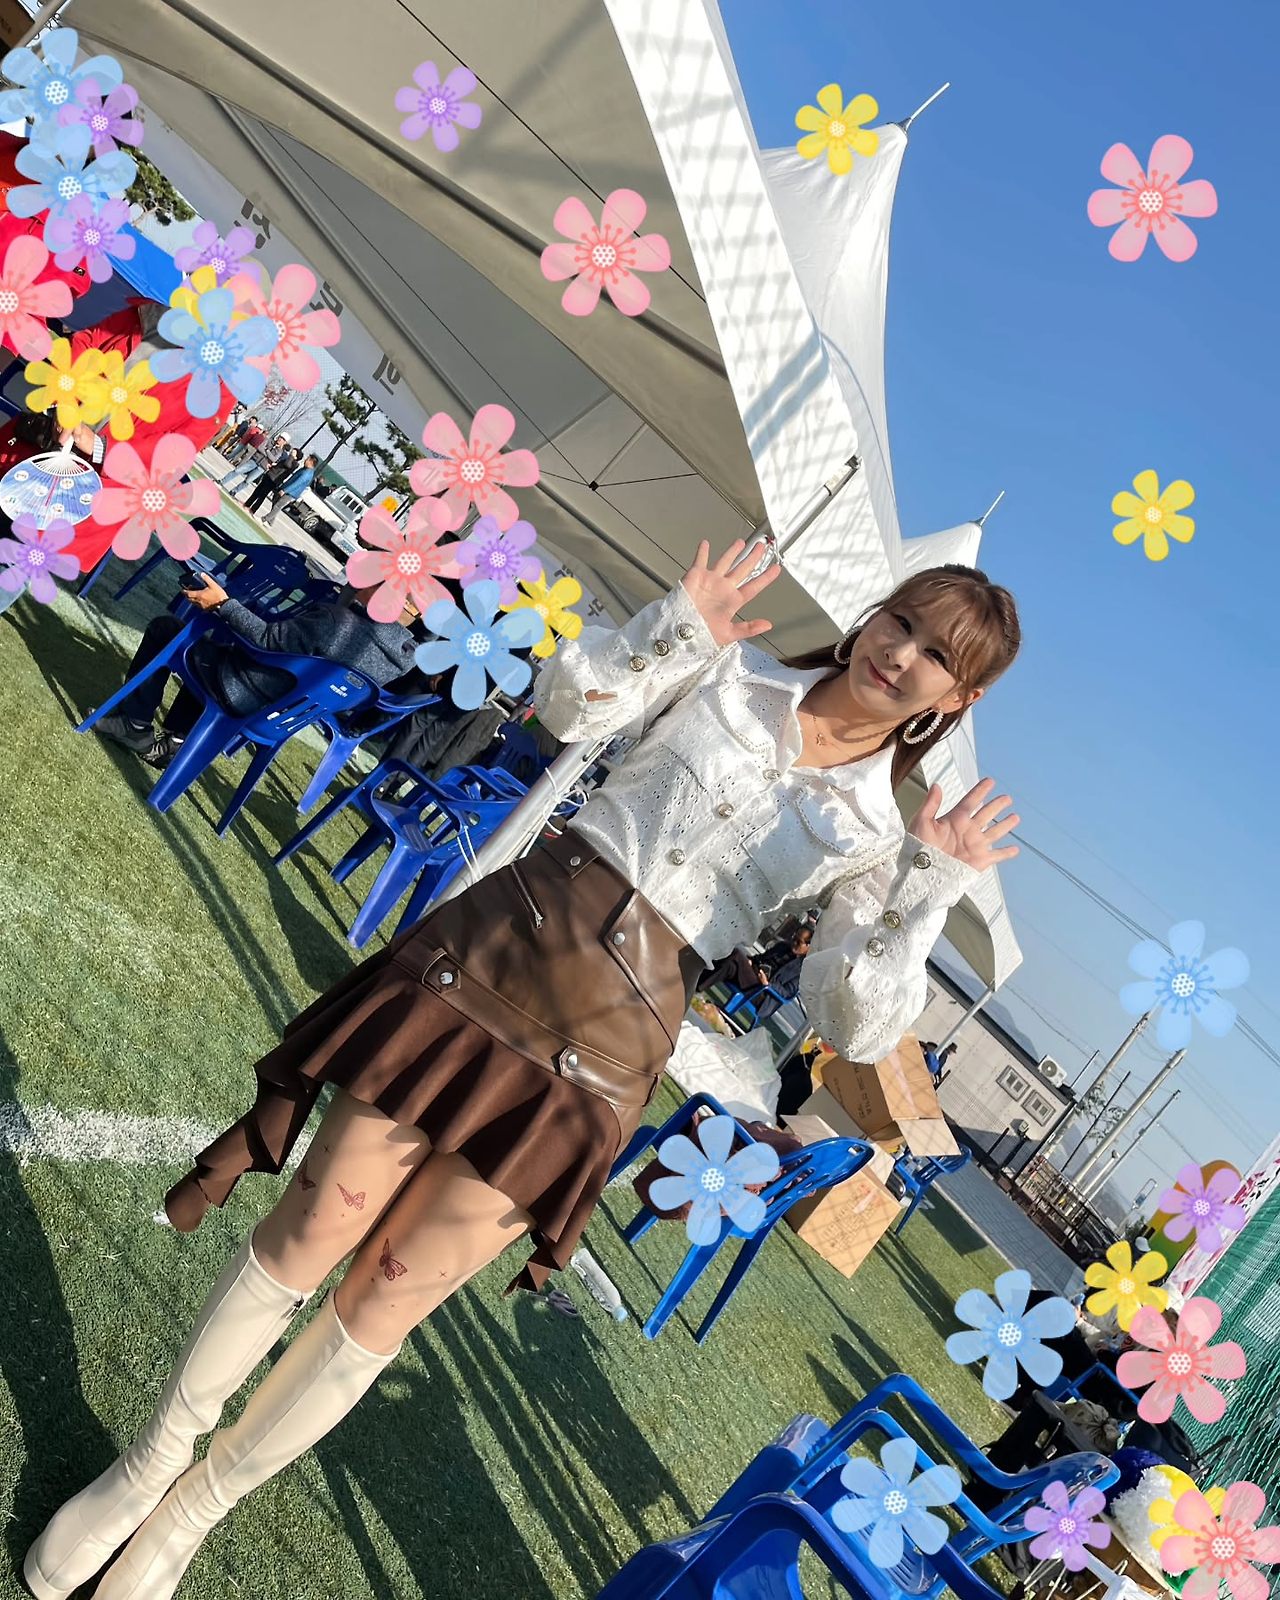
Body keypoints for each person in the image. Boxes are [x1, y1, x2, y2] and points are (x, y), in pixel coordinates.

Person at [26, 540, 1022, 1599]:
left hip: (608, 1048)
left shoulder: (880, 837)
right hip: (498, 949)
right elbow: (565, 704)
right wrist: (672, 625)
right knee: (314, 1223)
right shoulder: (730, 672)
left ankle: (190, 1515)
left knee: (387, 1297)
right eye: (901, 621)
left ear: (954, 699)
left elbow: (849, 1021)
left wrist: (925, 894)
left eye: (935, 655)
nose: (900, 653)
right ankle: (146, 1469)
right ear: (873, 615)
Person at [90, 574, 419, 769]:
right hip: (279, 717)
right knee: (214, 653)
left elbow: (266, 639)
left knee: (170, 631)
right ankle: (176, 741)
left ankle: (134, 725)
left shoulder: (336, 622)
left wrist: (222, 604)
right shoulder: (402, 660)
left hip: (244, 689)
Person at [220, 430, 290, 499]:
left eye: (283, 439)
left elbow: (274, 459)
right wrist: (268, 455)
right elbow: (260, 448)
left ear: (285, 442)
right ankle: (222, 481)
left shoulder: (280, 451)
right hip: (254, 460)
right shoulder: (268, 441)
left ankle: (234, 491)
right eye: (280, 437)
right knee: (238, 470)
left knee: (248, 481)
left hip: (262, 467)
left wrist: (267, 450)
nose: (280, 439)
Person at [258, 451, 318, 525]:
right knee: (275, 501)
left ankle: (264, 519)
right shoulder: (304, 469)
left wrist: (285, 490)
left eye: (308, 459)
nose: (305, 460)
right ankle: (270, 522)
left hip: (291, 492)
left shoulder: (307, 473)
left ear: (311, 462)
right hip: (287, 488)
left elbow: (297, 483)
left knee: (278, 505)